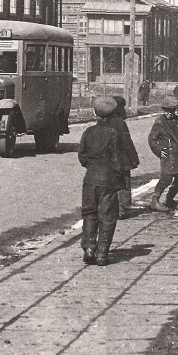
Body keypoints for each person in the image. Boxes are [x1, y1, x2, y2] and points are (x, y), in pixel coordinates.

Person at [78, 95, 138, 266]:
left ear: (95, 113)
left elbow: (82, 155)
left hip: (90, 179)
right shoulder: (113, 134)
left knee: (89, 214)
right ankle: (102, 253)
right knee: (108, 217)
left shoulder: (88, 132)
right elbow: (117, 161)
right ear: (112, 114)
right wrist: (118, 176)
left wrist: (91, 166)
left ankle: (89, 248)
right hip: (108, 181)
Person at [148, 95, 178, 211]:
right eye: (167, 111)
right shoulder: (160, 122)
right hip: (168, 155)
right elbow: (152, 139)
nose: (169, 113)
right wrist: (159, 150)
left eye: (171, 111)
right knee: (166, 179)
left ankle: (169, 200)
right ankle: (154, 201)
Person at [109, 96, 137, 217]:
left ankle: (112, 208)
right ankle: (122, 209)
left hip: (108, 158)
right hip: (122, 158)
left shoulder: (105, 121)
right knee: (125, 183)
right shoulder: (120, 123)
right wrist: (134, 158)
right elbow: (127, 142)